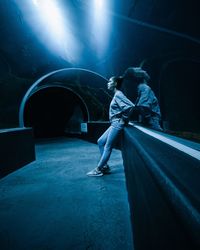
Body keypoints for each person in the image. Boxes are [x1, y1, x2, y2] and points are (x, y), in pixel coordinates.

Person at [87, 76, 135, 177]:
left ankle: (98, 169)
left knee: (108, 147)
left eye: (110, 81)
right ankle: (105, 166)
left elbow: (130, 106)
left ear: (115, 84)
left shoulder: (118, 94)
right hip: (114, 123)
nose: (108, 83)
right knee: (100, 142)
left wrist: (124, 118)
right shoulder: (116, 95)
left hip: (117, 123)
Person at [124, 67, 163, 131]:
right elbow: (144, 106)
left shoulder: (141, 88)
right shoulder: (145, 88)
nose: (144, 71)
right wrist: (149, 120)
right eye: (140, 70)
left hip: (149, 122)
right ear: (139, 75)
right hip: (152, 122)